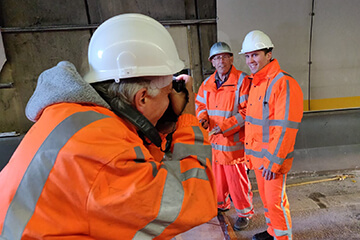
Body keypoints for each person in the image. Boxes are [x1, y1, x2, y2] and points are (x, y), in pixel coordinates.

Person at [0, 13, 217, 240]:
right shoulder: (105, 154)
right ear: (142, 98)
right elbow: (195, 199)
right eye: (167, 92)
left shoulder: (74, 114)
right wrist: (187, 118)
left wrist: (161, 123)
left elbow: (142, 166)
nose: (171, 97)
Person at [239, 30, 303, 240]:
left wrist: (272, 162)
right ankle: (272, 231)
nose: (250, 60)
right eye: (247, 56)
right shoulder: (256, 83)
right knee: (267, 201)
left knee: (275, 202)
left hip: (271, 160)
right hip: (259, 158)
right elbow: (254, 123)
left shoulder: (283, 82)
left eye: (255, 55)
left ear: (269, 54)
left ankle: (283, 237)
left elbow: (285, 128)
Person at [195, 42, 253, 231]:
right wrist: (202, 118)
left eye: (224, 56)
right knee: (219, 180)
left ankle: (244, 213)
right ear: (212, 62)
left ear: (231, 59)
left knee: (237, 181)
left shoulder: (242, 81)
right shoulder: (207, 84)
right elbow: (200, 105)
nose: (221, 61)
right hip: (215, 143)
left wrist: (224, 127)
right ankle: (222, 205)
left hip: (234, 144)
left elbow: (247, 112)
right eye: (217, 58)